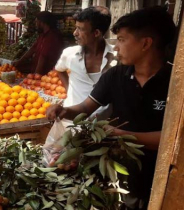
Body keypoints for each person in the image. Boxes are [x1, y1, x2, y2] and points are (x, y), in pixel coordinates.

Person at [47, 6, 176, 210]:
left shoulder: (175, 82)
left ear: (145, 43)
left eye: (122, 40)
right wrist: (65, 110)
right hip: (118, 170)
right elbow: (86, 107)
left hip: (160, 175)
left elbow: (174, 139)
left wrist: (121, 134)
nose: (116, 48)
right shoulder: (116, 75)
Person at [54, 6, 115, 122]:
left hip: (103, 126)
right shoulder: (69, 54)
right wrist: (68, 90)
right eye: (76, 28)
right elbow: (59, 69)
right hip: (70, 120)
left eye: (80, 29)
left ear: (96, 32)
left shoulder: (116, 59)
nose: (75, 33)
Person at [13, 11, 64, 75]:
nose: (35, 24)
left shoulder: (52, 36)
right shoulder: (42, 35)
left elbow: (43, 57)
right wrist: (19, 61)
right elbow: (33, 48)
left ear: (42, 22)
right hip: (37, 70)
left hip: (47, 74)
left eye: (36, 21)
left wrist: (36, 75)